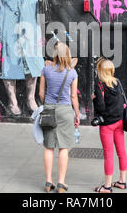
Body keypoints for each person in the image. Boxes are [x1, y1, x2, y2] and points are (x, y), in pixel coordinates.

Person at [39, 43, 80, 193]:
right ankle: (61, 183)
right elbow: (74, 96)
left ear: (55, 53)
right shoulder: (72, 73)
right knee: (63, 147)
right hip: (65, 111)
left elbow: (41, 93)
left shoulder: (46, 70)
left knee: (49, 146)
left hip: (49, 109)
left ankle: (49, 181)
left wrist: (47, 104)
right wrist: (77, 113)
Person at [91, 58, 127, 193]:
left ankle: (107, 186)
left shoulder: (100, 85)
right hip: (119, 122)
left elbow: (101, 107)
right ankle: (122, 181)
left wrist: (94, 99)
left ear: (100, 71)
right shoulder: (117, 83)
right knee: (121, 152)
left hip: (107, 125)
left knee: (108, 154)